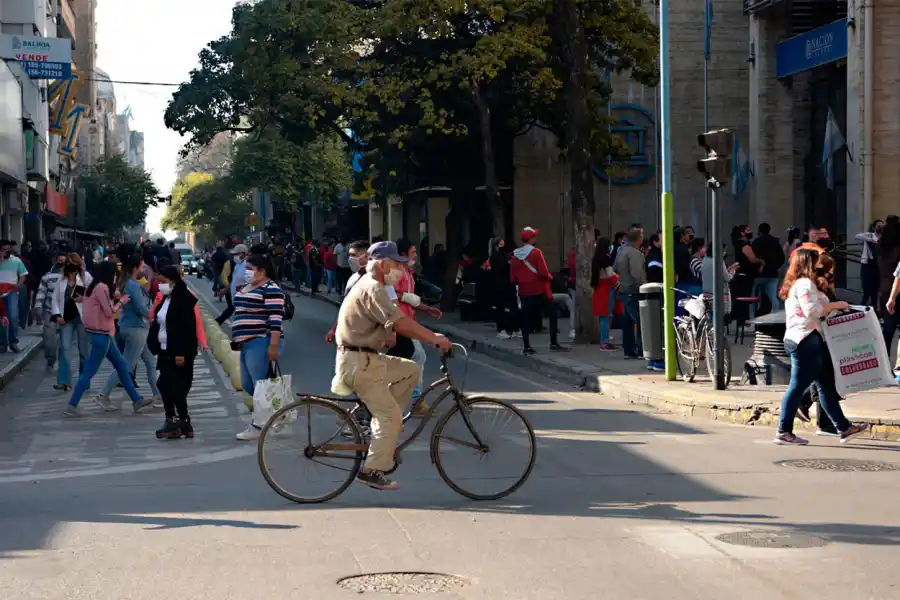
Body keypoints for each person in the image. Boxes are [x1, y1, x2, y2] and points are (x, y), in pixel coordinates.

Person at [333, 241, 452, 490]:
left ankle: (384, 431)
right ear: (384, 264)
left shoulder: (374, 286)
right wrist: (434, 338)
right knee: (390, 417)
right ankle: (371, 470)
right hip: (360, 363)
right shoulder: (372, 287)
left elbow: (391, 319)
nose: (400, 269)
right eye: (397, 264)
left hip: (366, 359)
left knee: (410, 369)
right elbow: (400, 323)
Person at [773, 247, 869, 445]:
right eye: (816, 261)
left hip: (808, 339)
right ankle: (783, 431)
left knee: (825, 385)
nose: (819, 265)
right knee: (798, 387)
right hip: (805, 340)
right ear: (808, 263)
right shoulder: (804, 284)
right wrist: (837, 305)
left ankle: (844, 428)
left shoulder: (802, 284)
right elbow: (813, 311)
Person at [63, 262, 155, 417]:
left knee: (122, 366)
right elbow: (109, 311)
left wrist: (115, 298)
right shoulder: (102, 287)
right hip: (102, 334)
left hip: (103, 333)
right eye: (114, 274)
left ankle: (136, 400)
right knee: (89, 371)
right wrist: (121, 301)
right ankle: (72, 405)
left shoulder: (93, 287)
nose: (115, 278)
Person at [94, 256, 162, 410]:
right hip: (135, 328)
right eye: (142, 267)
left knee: (151, 362)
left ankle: (158, 395)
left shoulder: (130, 283)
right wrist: (155, 315)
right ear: (134, 269)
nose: (145, 270)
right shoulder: (133, 285)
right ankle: (103, 394)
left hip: (135, 327)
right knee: (126, 365)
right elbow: (140, 308)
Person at [386, 239, 443, 416]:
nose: (415, 256)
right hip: (400, 323)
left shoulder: (408, 272)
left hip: (407, 321)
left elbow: (410, 298)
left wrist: (426, 308)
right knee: (417, 356)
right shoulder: (396, 272)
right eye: (413, 252)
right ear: (403, 254)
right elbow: (390, 293)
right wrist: (406, 297)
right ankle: (416, 400)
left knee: (405, 359)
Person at [234, 254, 286, 441]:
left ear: (262, 271)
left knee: (260, 385)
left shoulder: (271, 289)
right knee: (248, 384)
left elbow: (276, 320)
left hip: (261, 340)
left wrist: (273, 346)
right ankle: (274, 415)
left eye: (250, 268)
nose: (246, 272)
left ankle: (259, 425)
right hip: (245, 342)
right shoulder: (247, 287)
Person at [148, 265, 202, 439]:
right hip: (165, 350)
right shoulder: (165, 300)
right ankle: (175, 420)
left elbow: (186, 329)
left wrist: (181, 353)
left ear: (173, 281)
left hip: (179, 352)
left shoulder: (184, 300)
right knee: (165, 384)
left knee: (176, 387)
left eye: (163, 282)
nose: (161, 285)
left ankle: (181, 421)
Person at [510, 227, 566, 355]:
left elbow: (513, 278)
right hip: (540, 290)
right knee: (552, 313)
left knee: (525, 319)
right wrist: (551, 278)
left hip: (525, 291)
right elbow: (543, 272)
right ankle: (553, 343)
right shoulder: (536, 252)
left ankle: (527, 346)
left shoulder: (515, 256)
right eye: (534, 236)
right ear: (531, 239)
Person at [52, 254, 92, 391]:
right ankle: (64, 381)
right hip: (66, 318)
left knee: (83, 351)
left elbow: (94, 295)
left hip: (82, 318)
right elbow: (55, 298)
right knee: (65, 348)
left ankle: (84, 380)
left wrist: (84, 298)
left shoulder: (86, 277)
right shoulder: (61, 279)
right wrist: (57, 315)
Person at [613, 229, 647, 359]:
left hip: (623, 289)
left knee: (627, 322)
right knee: (640, 320)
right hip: (634, 290)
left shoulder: (621, 252)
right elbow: (636, 274)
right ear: (639, 239)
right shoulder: (635, 253)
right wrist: (644, 285)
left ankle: (628, 350)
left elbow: (615, 268)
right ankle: (640, 349)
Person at [34, 251, 67, 371]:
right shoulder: (47, 277)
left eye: (63, 260)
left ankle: (62, 363)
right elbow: (41, 292)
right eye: (60, 260)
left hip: (67, 313)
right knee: (49, 339)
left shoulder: (73, 276)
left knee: (65, 342)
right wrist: (38, 307)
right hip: (50, 311)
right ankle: (50, 360)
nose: (61, 262)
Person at [750, 223, 785, 318]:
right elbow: (782, 258)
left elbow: (752, 258)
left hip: (758, 274)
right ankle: (775, 317)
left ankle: (752, 318)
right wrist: (775, 267)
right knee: (773, 298)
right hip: (771, 274)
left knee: (752, 298)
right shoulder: (775, 241)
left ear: (759, 230)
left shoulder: (756, 242)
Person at [730, 225, 763, 327]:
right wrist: (762, 261)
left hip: (741, 276)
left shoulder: (738, 244)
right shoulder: (745, 245)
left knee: (742, 300)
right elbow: (752, 259)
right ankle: (744, 321)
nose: (750, 231)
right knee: (745, 300)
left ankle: (741, 322)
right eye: (748, 230)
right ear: (742, 233)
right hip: (745, 277)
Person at [0, 240, 28, 353]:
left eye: (8, 249)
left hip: (11, 291)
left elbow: (23, 275)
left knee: (12, 316)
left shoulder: (16, 260)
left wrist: (18, 285)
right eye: (4, 249)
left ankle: (13, 341)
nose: (6, 251)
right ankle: (2, 343)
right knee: (1, 318)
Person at [591, 238, 619, 351]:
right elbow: (610, 275)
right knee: (607, 316)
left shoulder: (595, 259)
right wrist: (618, 281)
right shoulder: (606, 259)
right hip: (607, 290)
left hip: (599, 289)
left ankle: (604, 340)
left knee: (603, 317)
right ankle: (604, 341)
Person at [489, 237, 519, 340]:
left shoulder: (503, 255)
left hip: (508, 283)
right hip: (500, 284)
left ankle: (513, 328)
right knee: (501, 307)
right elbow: (499, 268)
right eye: (501, 244)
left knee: (512, 305)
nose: (503, 246)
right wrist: (508, 263)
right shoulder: (495, 256)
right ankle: (501, 329)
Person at [215, 244, 248, 325]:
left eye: (236, 254)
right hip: (236, 300)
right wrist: (226, 290)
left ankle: (218, 321)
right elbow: (234, 281)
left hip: (244, 301)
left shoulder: (248, 265)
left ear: (242, 254)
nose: (234, 257)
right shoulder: (238, 265)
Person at [856, 219, 883, 308]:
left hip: (877, 266)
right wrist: (871, 240)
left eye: (881, 226)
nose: (880, 227)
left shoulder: (883, 237)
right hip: (867, 265)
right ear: (874, 227)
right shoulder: (870, 235)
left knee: (875, 290)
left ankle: (874, 309)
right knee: (866, 289)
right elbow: (858, 236)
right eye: (878, 226)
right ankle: (862, 308)